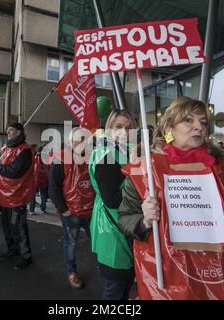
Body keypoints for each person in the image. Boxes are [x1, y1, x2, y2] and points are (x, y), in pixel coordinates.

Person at [118, 97, 224, 300]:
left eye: (203, 122)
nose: (198, 127)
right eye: (188, 120)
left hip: (220, 276)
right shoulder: (144, 172)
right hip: (170, 278)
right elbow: (125, 218)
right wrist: (144, 221)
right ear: (170, 127)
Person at [89, 109, 137, 300]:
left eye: (128, 127)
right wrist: (136, 173)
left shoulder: (122, 151)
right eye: (118, 127)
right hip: (112, 230)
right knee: (115, 291)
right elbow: (112, 199)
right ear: (109, 128)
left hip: (122, 227)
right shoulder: (107, 155)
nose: (124, 132)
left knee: (123, 288)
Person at [49, 128, 96, 289]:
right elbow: (53, 189)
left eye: (86, 139)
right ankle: (71, 272)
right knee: (71, 244)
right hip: (72, 213)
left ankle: (104, 267)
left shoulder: (94, 156)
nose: (83, 142)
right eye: (79, 139)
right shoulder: (61, 159)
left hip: (92, 213)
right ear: (70, 142)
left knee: (98, 242)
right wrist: (64, 210)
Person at [0, 122, 35, 270]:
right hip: (4, 196)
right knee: (7, 226)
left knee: (19, 228)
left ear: (20, 132)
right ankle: (12, 250)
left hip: (17, 197)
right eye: (7, 131)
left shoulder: (25, 151)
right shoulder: (5, 149)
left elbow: (15, 171)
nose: (8, 133)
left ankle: (26, 256)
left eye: (11, 131)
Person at [30, 144, 50, 215]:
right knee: (43, 194)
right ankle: (43, 209)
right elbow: (49, 168)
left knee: (33, 194)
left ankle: (31, 210)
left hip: (34, 177)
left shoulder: (34, 157)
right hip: (44, 177)